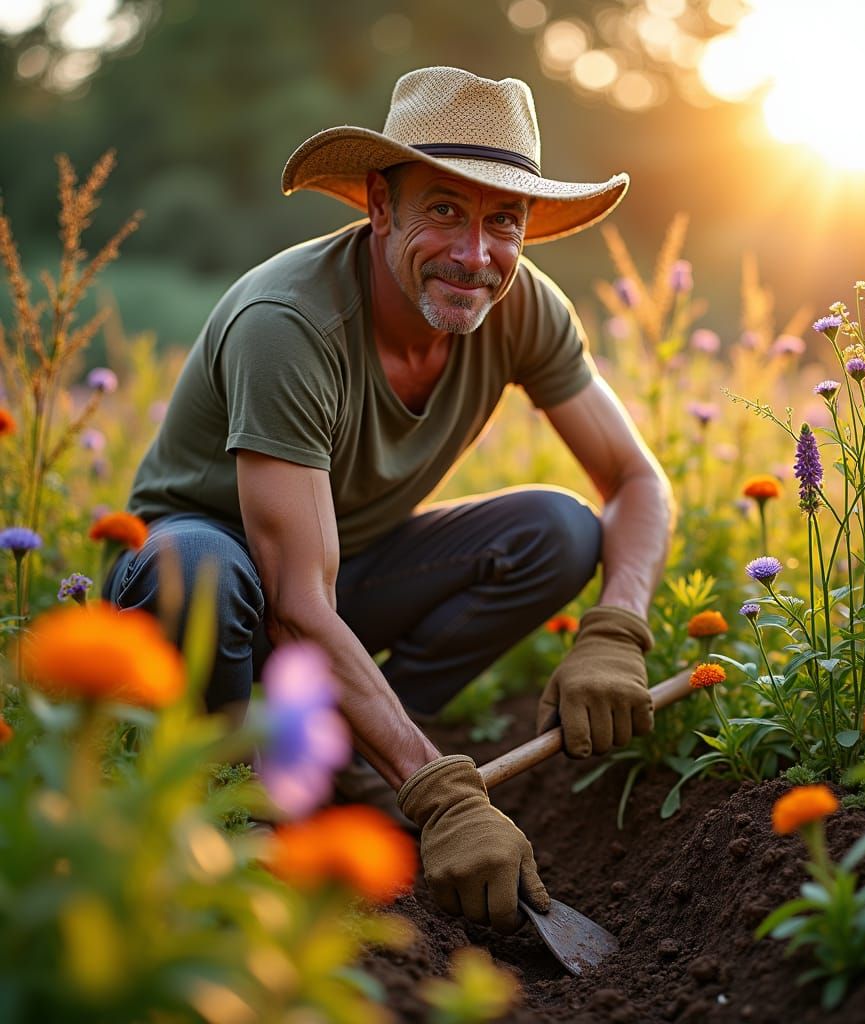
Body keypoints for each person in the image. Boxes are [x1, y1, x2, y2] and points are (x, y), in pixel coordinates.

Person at [105, 66, 673, 934]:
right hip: (203, 584)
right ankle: (228, 793)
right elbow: (295, 604)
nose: (474, 255)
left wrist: (617, 629)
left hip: (337, 579)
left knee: (557, 530)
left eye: (503, 221)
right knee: (203, 571)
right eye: (444, 209)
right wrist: (445, 794)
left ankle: (351, 761)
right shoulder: (288, 325)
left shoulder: (522, 308)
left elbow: (637, 482)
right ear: (380, 204)